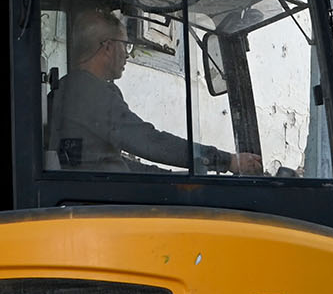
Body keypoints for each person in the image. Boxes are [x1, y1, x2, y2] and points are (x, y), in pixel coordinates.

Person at [48, 9, 263, 174]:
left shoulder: (67, 90)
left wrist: (170, 176)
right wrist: (227, 161)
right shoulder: (91, 93)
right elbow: (148, 141)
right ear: (108, 47)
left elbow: (112, 164)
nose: (127, 55)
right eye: (125, 45)